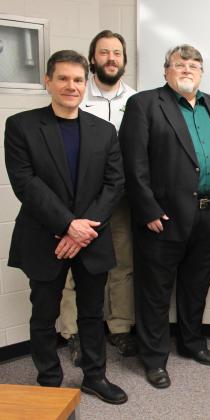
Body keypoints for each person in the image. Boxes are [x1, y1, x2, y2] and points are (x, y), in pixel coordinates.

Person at [4, 50, 127, 404]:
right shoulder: (21, 126)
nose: (70, 86)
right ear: (48, 81)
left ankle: (94, 377)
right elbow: (25, 183)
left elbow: (114, 184)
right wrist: (68, 225)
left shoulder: (103, 132)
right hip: (45, 236)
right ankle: (49, 382)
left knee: (92, 313)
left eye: (77, 80)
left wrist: (82, 228)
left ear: (85, 84)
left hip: (92, 236)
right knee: (45, 313)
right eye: (63, 78)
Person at [119, 44, 210, 389]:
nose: (187, 69)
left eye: (194, 65)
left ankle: (191, 343)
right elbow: (133, 163)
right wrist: (147, 209)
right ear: (166, 70)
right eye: (179, 64)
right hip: (163, 217)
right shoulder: (144, 104)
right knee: (155, 291)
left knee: (195, 285)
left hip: (209, 213)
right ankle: (153, 358)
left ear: (202, 72)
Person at [59, 30, 137, 366]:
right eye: (103, 52)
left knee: (121, 264)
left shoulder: (135, 100)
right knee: (74, 268)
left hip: (119, 199)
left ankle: (118, 327)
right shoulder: (75, 93)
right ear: (93, 58)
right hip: (79, 200)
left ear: (124, 60)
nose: (110, 59)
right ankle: (73, 333)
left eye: (116, 53)